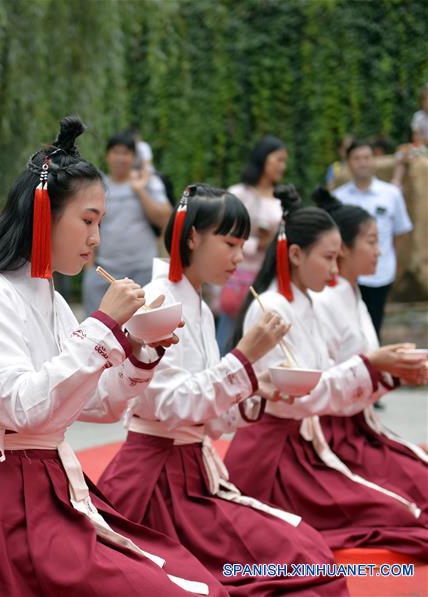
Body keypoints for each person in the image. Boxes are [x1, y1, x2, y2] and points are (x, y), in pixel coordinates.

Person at [0, 116, 223, 596]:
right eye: (87, 220)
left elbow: (97, 406)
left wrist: (139, 354)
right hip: (2, 498)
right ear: (44, 215)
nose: (96, 238)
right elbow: (24, 408)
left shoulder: (52, 297)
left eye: (99, 222)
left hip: (48, 483)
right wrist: (103, 327)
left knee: (190, 579)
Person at [98, 184, 348, 595]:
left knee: (308, 552)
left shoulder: (194, 299)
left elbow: (208, 419)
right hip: (158, 484)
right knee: (301, 563)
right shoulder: (161, 299)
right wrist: (244, 360)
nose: (239, 257)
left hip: (193, 472)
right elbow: (169, 404)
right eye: (230, 243)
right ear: (192, 235)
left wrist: (255, 389)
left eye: (243, 245)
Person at [224, 186, 428, 560]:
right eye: (330, 258)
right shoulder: (271, 308)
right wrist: (373, 367)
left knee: (407, 508)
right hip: (276, 457)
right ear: (297, 255)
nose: (335, 270)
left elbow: (321, 381)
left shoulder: (304, 300)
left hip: (306, 440)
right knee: (402, 515)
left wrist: (386, 371)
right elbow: (303, 393)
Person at [312, 187, 428, 514]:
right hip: (335, 435)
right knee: (411, 502)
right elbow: (320, 383)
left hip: (360, 425)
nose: (380, 251)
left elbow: (366, 368)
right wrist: (381, 367)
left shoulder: (352, 294)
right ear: (343, 249)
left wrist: (398, 370)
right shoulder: (325, 301)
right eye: (372, 241)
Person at [81, 129, 171, 318]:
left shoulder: (149, 182)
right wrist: (89, 268)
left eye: (126, 153)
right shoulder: (98, 186)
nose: (121, 158)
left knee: (141, 327)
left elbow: (165, 218)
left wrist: (139, 191)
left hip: (142, 271)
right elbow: (88, 226)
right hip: (104, 272)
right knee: (98, 325)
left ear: (134, 157)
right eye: (116, 152)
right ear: (107, 155)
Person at [333, 139, 413, 340]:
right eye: (357, 158)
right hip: (346, 275)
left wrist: (393, 262)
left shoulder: (391, 194)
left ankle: (371, 366)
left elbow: (401, 232)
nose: (362, 163)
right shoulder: (338, 198)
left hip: (380, 272)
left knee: (373, 327)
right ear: (348, 162)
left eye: (367, 157)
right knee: (344, 325)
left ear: (374, 160)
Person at [216, 135, 286, 354]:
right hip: (237, 273)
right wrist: (257, 243)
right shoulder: (239, 194)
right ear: (263, 159)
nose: (282, 166)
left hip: (267, 276)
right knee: (228, 335)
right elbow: (221, 236)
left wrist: (273, 242)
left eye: (285, 161)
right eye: (278, 160)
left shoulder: (281, 199)